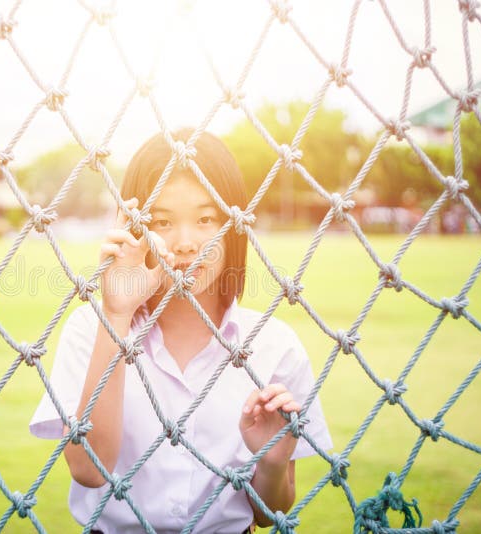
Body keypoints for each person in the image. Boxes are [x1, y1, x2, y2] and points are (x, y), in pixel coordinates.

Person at [30, 129, 332, 533]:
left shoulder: (273, 345)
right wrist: (117, 313)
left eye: (206, 219)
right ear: (135, 227)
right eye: (163, 221)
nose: (187, 242)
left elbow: (269, 511)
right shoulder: (90, 329)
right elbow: (88, 469)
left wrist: (272, 464)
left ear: (234, 225)